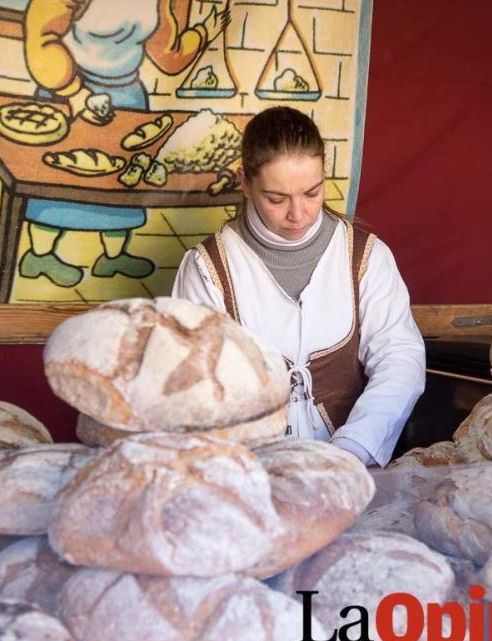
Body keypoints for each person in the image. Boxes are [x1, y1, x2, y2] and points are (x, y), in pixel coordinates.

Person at [173, 106, 426, 466]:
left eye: (312, 192)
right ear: (245, 182)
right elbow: (194, 388)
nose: (298, 214)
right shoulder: (207, 268)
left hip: (352, 468)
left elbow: (400, 359)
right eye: (276, 199)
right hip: (247, 472)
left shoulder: (366, 257)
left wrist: (352, 450)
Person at [20, 0, 230, 287]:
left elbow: (167, 54)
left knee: (123, 179)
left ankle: (113, 257)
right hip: (71, 93)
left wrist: (203, 32)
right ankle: (40, 255)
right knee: (63, 179)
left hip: (127, 95)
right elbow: (42, 39)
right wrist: (75, 94)